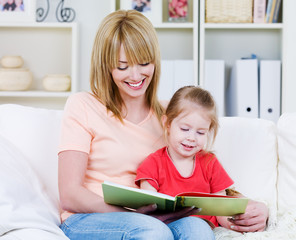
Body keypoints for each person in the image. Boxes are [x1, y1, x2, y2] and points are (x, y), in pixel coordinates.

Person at [58, 9, 269, 240]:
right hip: (89, 218)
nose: (135, 75)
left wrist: (257, 209)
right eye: (122, 66)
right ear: (106, 66)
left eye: (144, 63)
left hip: (159, 219)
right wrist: (137, 215)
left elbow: (202, 175)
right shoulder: (83, 105)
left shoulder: (172, 117)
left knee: (198, 229)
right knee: (151, 231)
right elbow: (70, 193)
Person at [135, 85, 234, 229]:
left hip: (201, 227)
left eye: (200, 132)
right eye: (185, 129)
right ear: (167, 124)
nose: (192, 138)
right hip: (166, 227)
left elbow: (221, 207)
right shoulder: (153, 163)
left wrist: (234, 225)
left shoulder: (209, 162)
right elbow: (149, 205)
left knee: (197, 227)